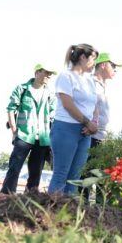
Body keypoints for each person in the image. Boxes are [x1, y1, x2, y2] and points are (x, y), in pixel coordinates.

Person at [48, 44, 99, 195]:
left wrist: (93, 124)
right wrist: (87, 122)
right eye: (93, 59)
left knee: (75, 178)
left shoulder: (90, 80)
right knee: (61, 175)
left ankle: (69, 216)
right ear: (83, 57)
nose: (94, 63)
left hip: (85, 132)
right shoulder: (66, 76)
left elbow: (94, 105)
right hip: (65, 129)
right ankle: (50, 213)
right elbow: (68, 104)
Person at [0, 64, 57, 194]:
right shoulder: (22, 89)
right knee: (14, 167)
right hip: (24, 135)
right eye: (47, 72)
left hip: (43, 138)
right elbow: (11, 109)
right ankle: (6, 195)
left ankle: (31, 198)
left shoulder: (50, 94)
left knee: (36, 171)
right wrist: (14, 131)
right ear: (37, 72)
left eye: (51, 73)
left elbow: (53, 116)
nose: (49, 76)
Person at [91, 52, 122, 148]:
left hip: (103, 137)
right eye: (113, 66)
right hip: (89, 136)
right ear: (103, 65)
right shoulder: (90, 83)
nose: (115, 70)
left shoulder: (108, 87)